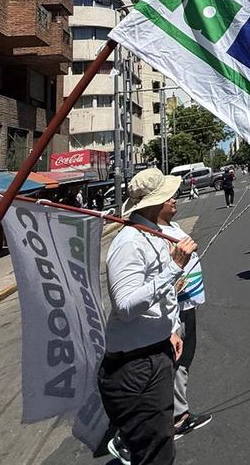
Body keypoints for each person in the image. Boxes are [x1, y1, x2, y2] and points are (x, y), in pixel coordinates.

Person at [100, 167, 198, 465]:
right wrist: (174, 268)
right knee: (155, 454)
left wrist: (168, 330)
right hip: (135, 365)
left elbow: (156, 299)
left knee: (159, 443)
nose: (174, 198)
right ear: (155, 202)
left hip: (154, 352)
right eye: (168, 194)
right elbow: (125, 305)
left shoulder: (151, 235)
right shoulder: (130, 242)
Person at [160, 212, 212, 440]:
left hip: (188, 302)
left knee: (185, 356)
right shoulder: (155, 233)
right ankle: (178, 415)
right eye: (166, 197)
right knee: (179, 359)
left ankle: (176, 410)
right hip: (177, 308)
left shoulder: (171, 225)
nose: (173, 199)